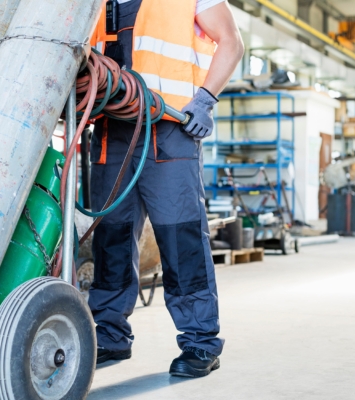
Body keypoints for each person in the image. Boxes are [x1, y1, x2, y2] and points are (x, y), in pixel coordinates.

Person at [88, 0, 244, 378]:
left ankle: (200, 341)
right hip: (112, 135)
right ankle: (109, 335)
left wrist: (205, 99)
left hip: (170, 131)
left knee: (181, 239)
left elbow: (232, 42)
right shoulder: (94, 4)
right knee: (111, 239)